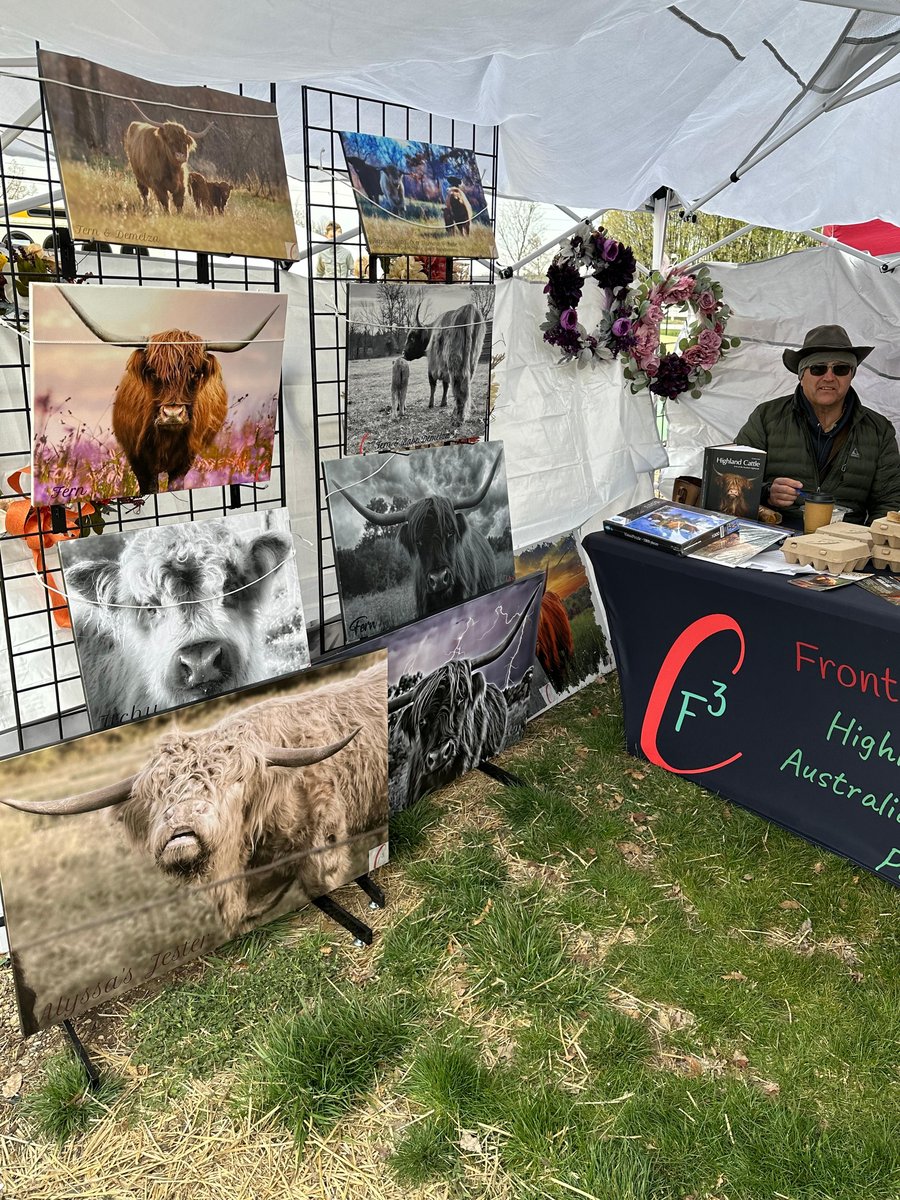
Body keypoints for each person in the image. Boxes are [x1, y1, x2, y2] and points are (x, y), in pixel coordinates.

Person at [734, 324, 900, 526]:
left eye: (840, 369)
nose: (829, 377)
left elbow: (889, 502)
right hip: (775, 540)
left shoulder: (879, 430)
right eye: (818, 368)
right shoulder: (767, 416)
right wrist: (767, 491)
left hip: (845, 545)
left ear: (851, 375)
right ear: (802, 375)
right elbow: (733, 478)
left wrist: (868, 545)